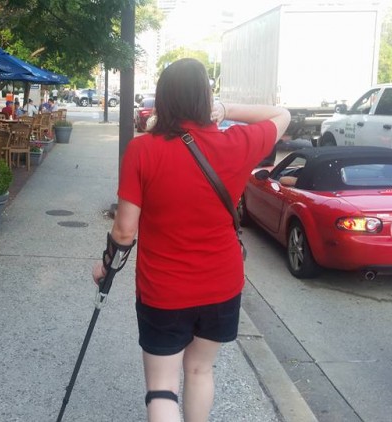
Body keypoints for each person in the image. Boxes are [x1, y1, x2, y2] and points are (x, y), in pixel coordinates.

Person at [91, 58, 290, 421]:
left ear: (163, 99)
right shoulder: (237, 143)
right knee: (200, 371)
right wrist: (227, 109)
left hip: (164, 289)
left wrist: (105, 267)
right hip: (221, 285)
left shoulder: (142, 150)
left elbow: (124, 230)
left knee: (162, 387)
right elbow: (281, 114)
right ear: (205, 97)